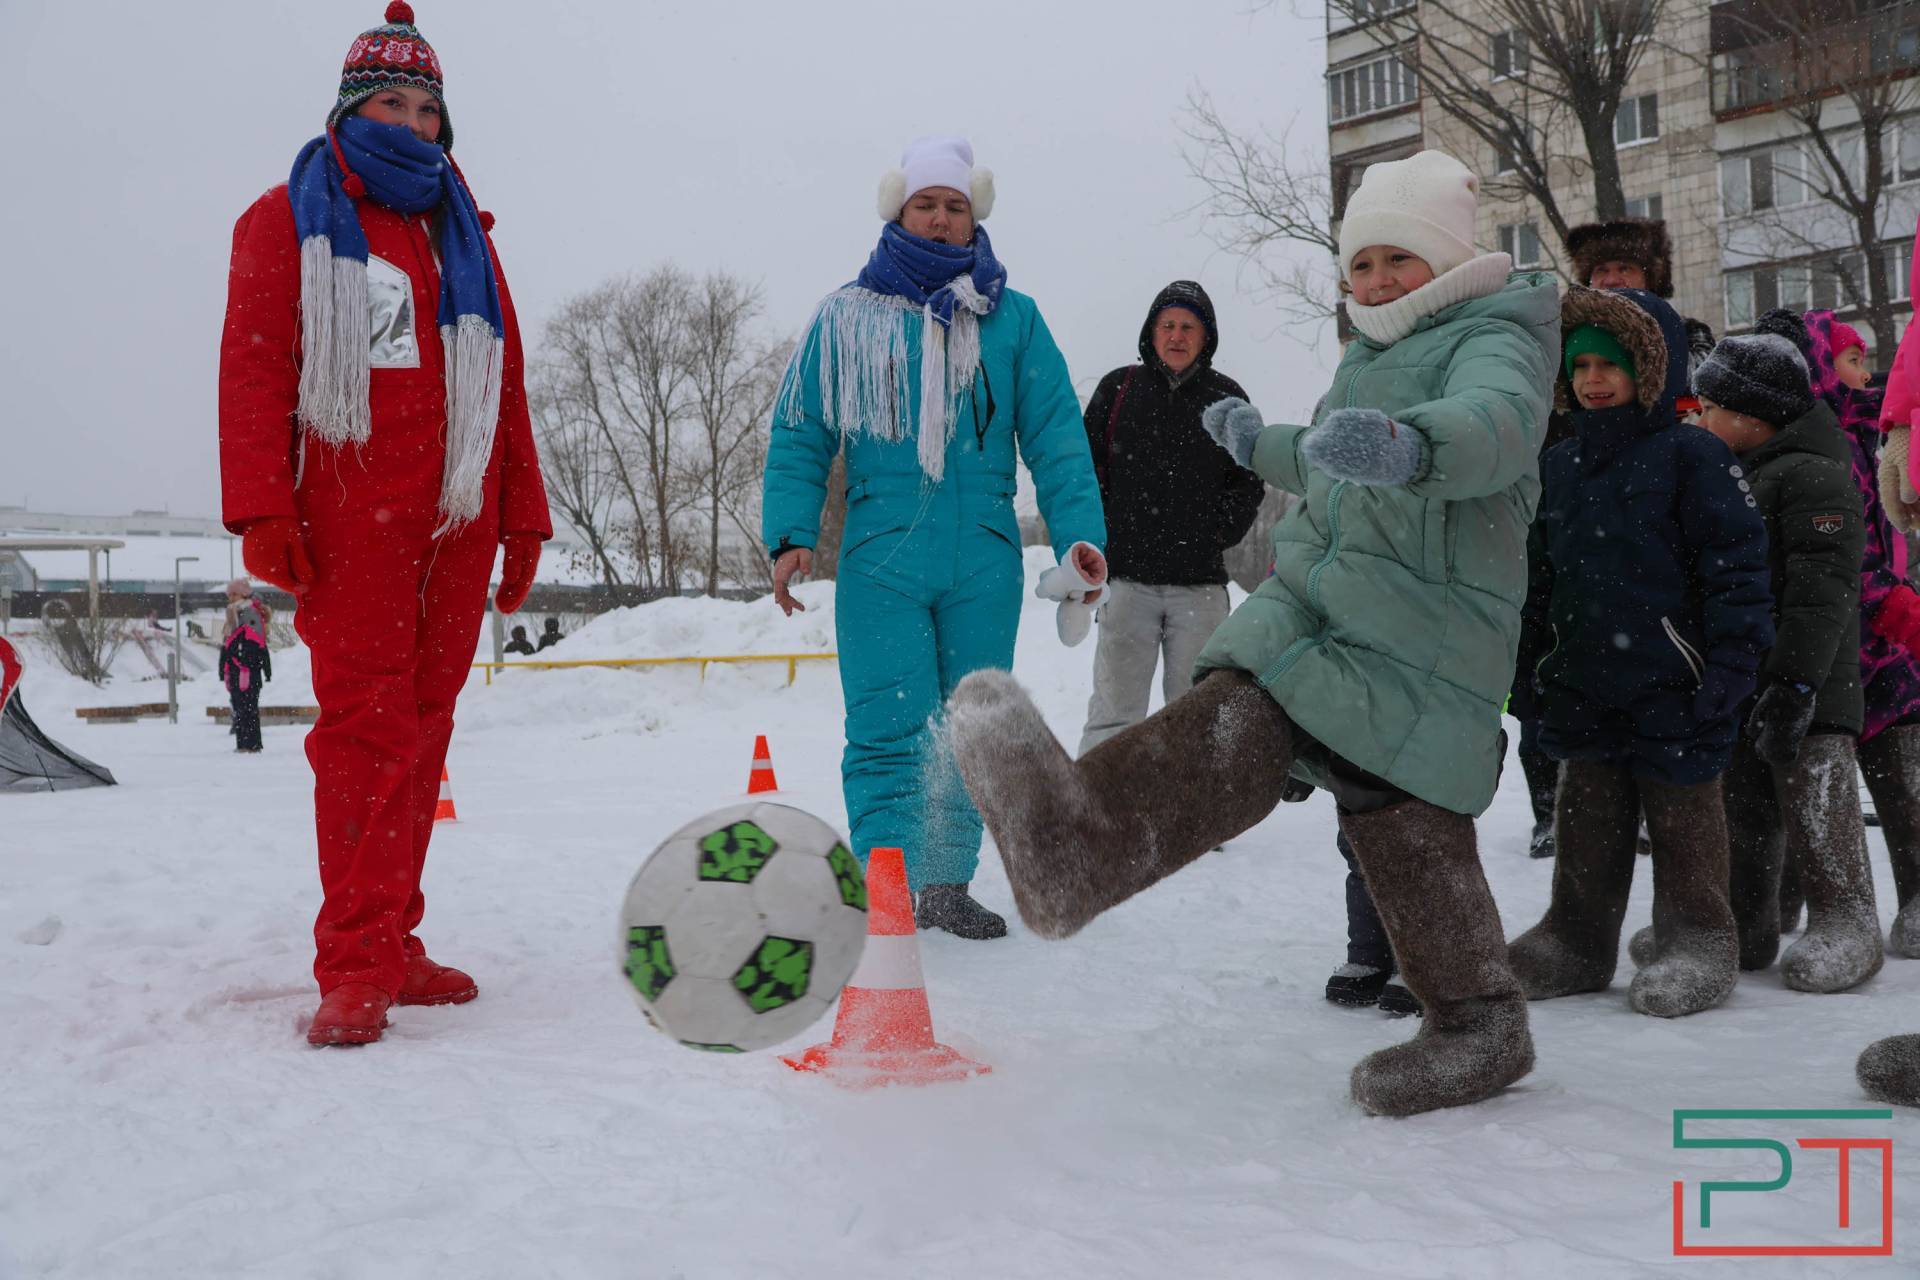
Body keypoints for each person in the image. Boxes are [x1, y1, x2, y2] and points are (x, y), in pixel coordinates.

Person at [949, 150, 1557, 1115]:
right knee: (1241, 718)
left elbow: (1497, 424)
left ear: (1447, 258)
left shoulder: (1499, 332)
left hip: (1426, 635)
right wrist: (1256, 443)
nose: (1378, 280)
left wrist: (1411, 446)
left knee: (1409, 830)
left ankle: (1479, 1022)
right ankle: (1075, 849)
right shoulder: (1370, 353)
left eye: (1400, 259)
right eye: (1362, 264)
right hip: (1333, 613)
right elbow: (1326, 460)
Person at [219, 2, 550, 1046]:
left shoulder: (467, 234)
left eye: (426, 109)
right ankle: (354, 959)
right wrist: (264, 504)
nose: (410, 124)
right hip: (351, 515)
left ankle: (398, 940)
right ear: (349, 110)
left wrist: (522, 516)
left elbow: (511, 389)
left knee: (427, 724)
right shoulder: (289, 218)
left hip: (457, 515)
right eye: (389, 104)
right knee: (365, 732)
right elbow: (256, 362)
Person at [762, 135, 1107, 941]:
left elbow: (1056, 436)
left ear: (974, 214)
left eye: (957, 206)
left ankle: (947, 884)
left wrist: (1078, 538)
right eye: (928, 203)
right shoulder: (847, 316)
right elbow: (800, 431)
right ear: (899, 209)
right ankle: (888, 886)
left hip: (984, 552)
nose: (943, 218)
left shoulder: (1012, 320)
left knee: (971, 728)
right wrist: (790, 533)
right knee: (887, 726)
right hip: (882, 551)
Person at [1505, 287, 1772, 1018]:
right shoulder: (1560, 463)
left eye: (1612, 365)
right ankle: (1576, 939)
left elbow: (1738, 568)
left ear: (1650, 370)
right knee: (1587, 822)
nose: (1594, 379)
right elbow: (1539, 576)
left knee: (1685, 827)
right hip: (1585, 680)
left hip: (1674, 681)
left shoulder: (1693, 455)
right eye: (1582, 364)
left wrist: (1730, 665)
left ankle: (1699, 941)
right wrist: (1528, 667)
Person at [1686, 311, 1881, 994]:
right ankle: (1748, 921)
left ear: (1755, 414)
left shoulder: (1813, 477)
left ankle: (1846, 921)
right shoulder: (1740, 471)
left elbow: (1820, 595)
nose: (1701, 421)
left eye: (1712, 409)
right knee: (1744, 815)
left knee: (1817, 807)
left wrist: (1796, 684)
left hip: (1812, 692)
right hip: (1746, 683)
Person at [1076, 281, 1263, 754]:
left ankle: (1194, 821)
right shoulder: (1119, 390)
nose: (1177, 336)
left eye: (1188, 327)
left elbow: (1249, 478)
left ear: (1206, 337)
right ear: (1151, 331)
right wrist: (1104, 534)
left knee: (1196, 714)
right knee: (1115, 711)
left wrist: (1216, 532)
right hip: (1127, 583)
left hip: (1199, 587)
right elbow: (1085, 469)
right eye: (1168, 325)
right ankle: (1099, 813)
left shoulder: (1228, 399)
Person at [1800, 311, 1920, 957]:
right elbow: (1842, 554)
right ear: (1820, 366)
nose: (1865, 372)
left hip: (1883, 634)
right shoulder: (1824, 447)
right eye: (1851, 360)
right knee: (1820, 779)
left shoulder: (1866, 433)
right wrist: (1889, 600)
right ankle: (1818, 909)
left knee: (1905, 754)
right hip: (1844, 630)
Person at [219, 590, 275, 753]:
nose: (230, 599)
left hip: (247, 673)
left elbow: (259, 651)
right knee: (243, 708)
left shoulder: (250, 620)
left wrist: (264, 671)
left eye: (233, 594)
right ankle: (246, 743)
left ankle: (250, 743)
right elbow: (227, 650)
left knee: (247, 709)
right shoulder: (236, 622)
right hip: (241, 673)